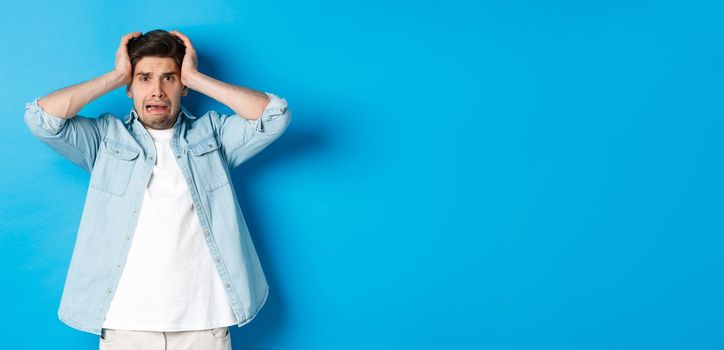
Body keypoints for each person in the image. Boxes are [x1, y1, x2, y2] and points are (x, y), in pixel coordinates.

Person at [23, 29, 291, 350]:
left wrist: (196, 76)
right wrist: (117, 75)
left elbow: (275, 115)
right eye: (144, 78)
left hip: (203, 321)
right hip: (125, 322)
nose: (157, 91)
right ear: (130, 87)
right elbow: (41, 118)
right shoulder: (105, 138)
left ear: (183, 85)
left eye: (169, 78)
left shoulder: (213, 134)